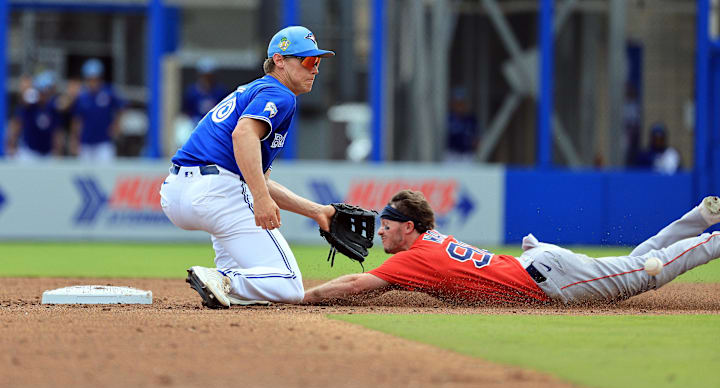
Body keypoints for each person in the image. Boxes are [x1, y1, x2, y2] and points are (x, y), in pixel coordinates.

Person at [160, 26, 336, 307]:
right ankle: (223, 280)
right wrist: (260, 198)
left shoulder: (254, 90)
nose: (315, 69)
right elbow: (242, 135)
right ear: (279, 60)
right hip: (216, 191)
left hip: (178, 193)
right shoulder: (280, 93)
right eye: (307, 61)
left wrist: (317, 212)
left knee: (254, 281)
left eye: (317, 62)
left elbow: (256, 176)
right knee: (288, 285)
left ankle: (223, 282)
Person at [303, 190, 720, 306]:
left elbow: (359, 284)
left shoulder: (417, 257)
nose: (379, 233)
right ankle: (700, 218)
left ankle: (711, 238)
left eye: (387, 226)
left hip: (553, 280)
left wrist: (303, 296)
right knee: (634, 265)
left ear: (409, 227)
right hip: (538, 263)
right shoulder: (430, 238)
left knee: (645, 272)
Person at [70, 58, 125, 162]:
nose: (93, 82)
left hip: (104, 143)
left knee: (106, 173)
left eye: (95, 78)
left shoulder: (109, 93)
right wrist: (74, 139)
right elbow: (77, 120)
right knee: (84, 174)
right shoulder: (82, 97)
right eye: (90, 79)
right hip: (85, 143)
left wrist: (117, 125)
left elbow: (121, 108)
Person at [7, 70, 63, 160]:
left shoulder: (52, 107)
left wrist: (58, 152)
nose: (45, 95)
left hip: (47, 154)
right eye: (43, 91)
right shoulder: (29, 105)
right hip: (29, 153)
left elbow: (56, 132)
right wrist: (12, 146)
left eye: (48, 91)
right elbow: (16, 125)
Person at [182, 57, 228, 126]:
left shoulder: (220, 91)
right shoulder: (192, 91)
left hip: (214, 124)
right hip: (195, 123)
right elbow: (186, 111)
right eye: (204, 76)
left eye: (210, 76)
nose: (207, 79)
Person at [445, 87, 480, 163]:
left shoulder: (471, 119)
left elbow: (476, 139)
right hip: (451, 155)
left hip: (467, 155)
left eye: (461, 103)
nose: (459, 106)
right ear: (453, 104)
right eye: (457, 103)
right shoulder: (449, 118)